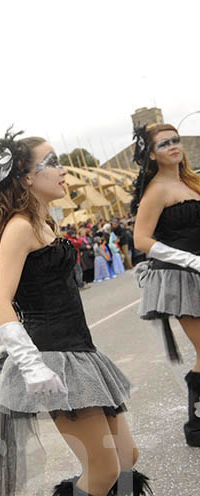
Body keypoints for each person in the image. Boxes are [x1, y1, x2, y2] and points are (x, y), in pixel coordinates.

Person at [0, 130, 153, 496]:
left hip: (81, 353)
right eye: (52, 162)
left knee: (124, 459)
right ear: (27, 177)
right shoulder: (19, 226)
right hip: (55, 362)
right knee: (102, 462)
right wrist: (29, 363)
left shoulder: (44, 221)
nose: (64, 169)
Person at [130, 123, 200, 446]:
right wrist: (188, 260)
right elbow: (141, 239)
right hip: (178, 277)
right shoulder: (156, 190)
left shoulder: (190, 182)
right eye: (164, 143)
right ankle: (196, 424)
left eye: (176, 140)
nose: (173, 146)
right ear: (152, 155)